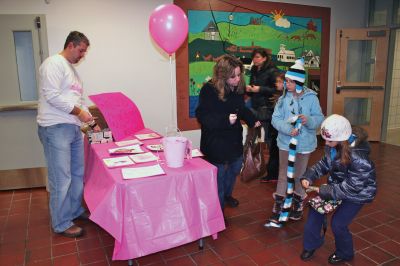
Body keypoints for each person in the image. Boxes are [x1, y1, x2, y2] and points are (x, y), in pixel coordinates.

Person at [37, 31, 100, 238]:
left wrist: (91, 122)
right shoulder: (53, 64)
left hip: (72, 129)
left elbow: (79, 102)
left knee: (76, 174)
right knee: (61, 178)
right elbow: (52, 96)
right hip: (55, 128)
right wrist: (79, 113)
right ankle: (61, 223)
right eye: (81, 50)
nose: (83, 55)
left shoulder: (73, 72)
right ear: (71, 45)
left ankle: (73, 211)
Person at [300, 114, 377, 264]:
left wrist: (324, 190)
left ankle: (345, 252)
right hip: (336, 187)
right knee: (315, 210)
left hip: (357, 193)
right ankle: (311, 244)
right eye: (325, 140)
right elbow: (323, 165)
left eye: (330, 140)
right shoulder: (334, 146)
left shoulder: (359, 157)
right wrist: (308, 176)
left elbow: (353, 186)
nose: (326, 144)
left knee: (338, 223)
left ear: (342, 138)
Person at [196, 54, 261, 211]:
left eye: (239, 75)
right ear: (222, 75)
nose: (237, 79)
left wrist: (252, 120)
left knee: (234, 170)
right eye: (233, 76)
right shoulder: (209, 89)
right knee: (219, 177)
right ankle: (218, 211)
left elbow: (241, 109)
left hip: (233, 140)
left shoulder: (237, 88)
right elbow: (203, 116)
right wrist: (226, 120)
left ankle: (226, 195)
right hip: (215, 141)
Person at [266, 58, 324, 226]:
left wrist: (310, 120)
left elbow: (319, 118)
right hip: (285, 142)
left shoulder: (312, 98)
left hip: (304, 144)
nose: (286, 84)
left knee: (299, 174)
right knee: (284, 172)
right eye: (286, 81)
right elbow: (275, 119)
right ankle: (280, 203)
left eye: (290, 81)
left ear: (298, 82)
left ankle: (298, 203)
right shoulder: (283, 99)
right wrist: (287, 129)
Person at [245, 48, 279, 183]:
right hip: (255, 107)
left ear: (265, 58)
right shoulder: (254, 70)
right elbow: (255, 87)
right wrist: (250, 90)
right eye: (254, 57)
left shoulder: (272, 71)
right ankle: (248, 167)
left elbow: (277, 89)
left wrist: (260, 89)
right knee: (250, 138)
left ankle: (273, 173)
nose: (255, 59)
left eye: (258, 57)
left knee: (272, 142)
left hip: (268, 109)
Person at [263, 72, 285, 183]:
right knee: (274, 153)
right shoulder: (277, 95)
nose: (276, 83)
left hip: (281, 131)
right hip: (275, 130)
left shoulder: (285, 98)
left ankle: (274, 175)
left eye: (279, 81)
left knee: (277, 154)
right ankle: (272, 174)